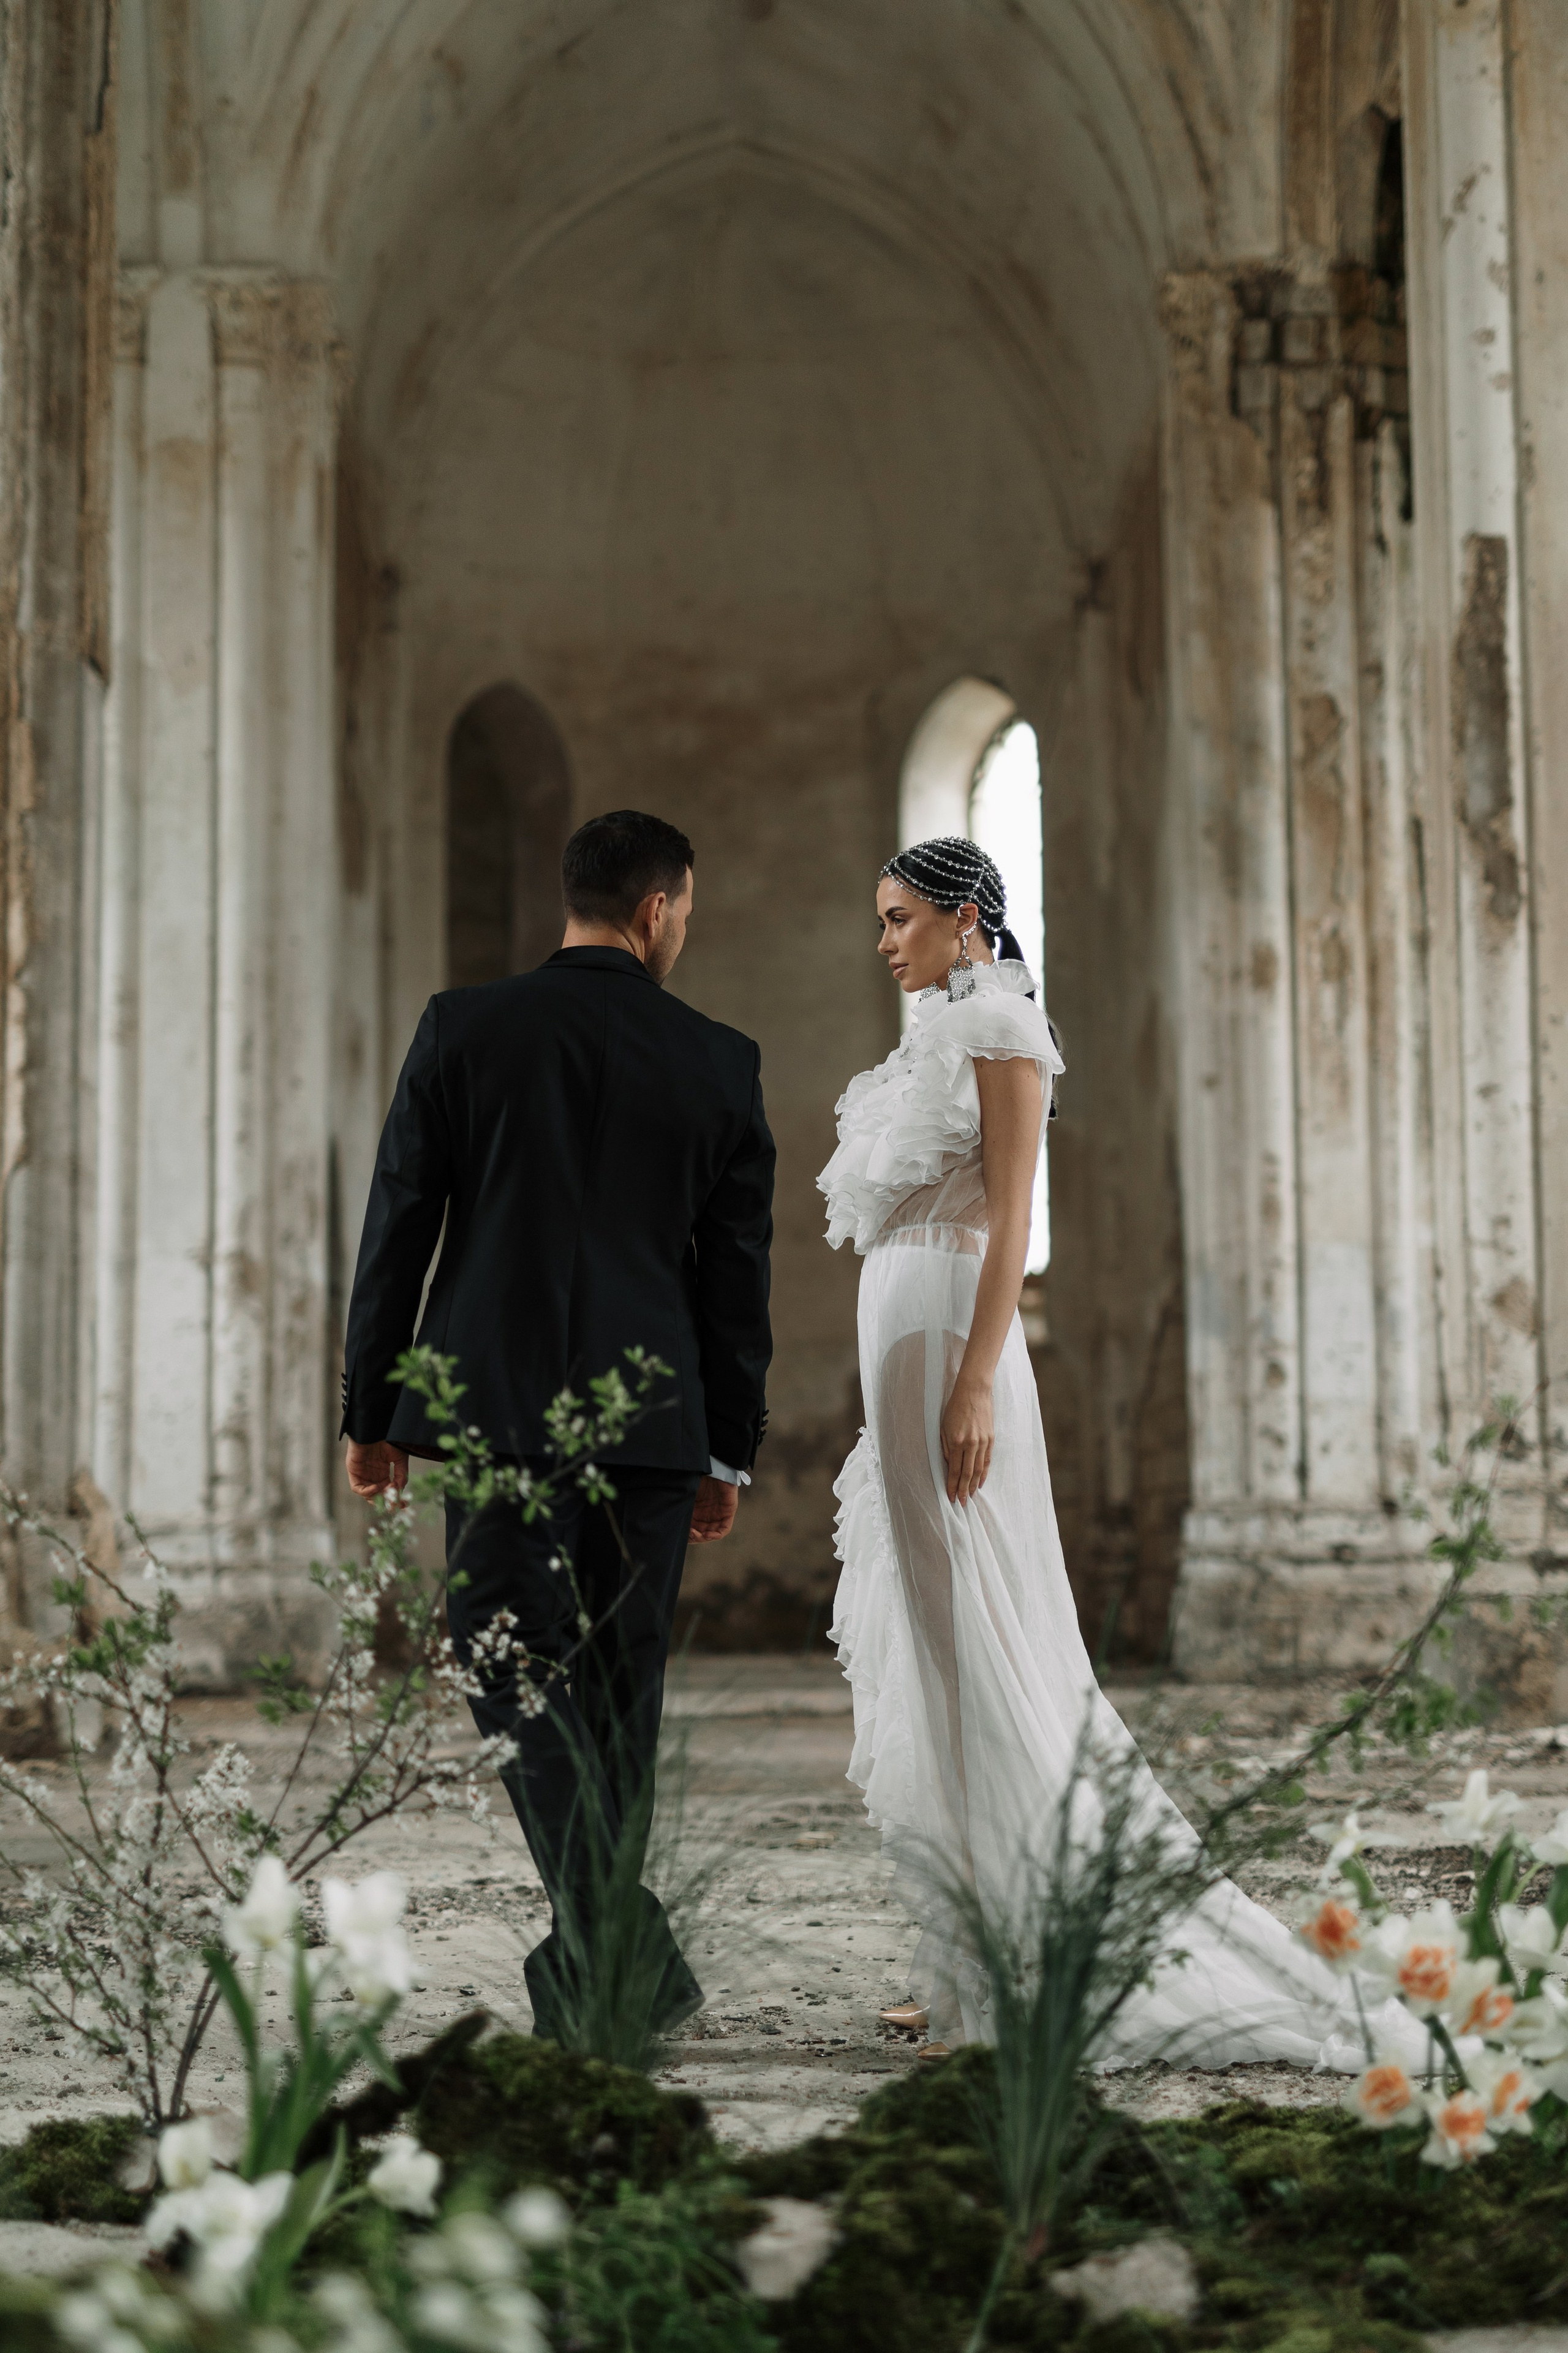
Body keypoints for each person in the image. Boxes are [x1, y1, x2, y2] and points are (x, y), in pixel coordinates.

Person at [819, 835, 1382, 2066]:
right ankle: (966, 1959)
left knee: (977, 1632)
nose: (884, 942)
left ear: (964, 916)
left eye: (899, 918)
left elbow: (1013, 1217)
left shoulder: (1009, 1033)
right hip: (901, 1335)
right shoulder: (936, 1034)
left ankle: (1025, 1957)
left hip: (948, 1346)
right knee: (935, 1645)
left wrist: (974, 1382)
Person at [341, 809, 774, 2039]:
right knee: (617, 1684)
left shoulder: (462, 1028)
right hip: (652, 1422)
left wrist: (371, 1403)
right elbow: (732, 1276)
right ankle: (612, 1959)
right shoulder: (718, 1059)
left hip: (491, 1407)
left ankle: (605, 1959)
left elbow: (399, 1225)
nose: (682, 927)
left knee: (502, 1657)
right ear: (656, 908)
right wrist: (725, 1440)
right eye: (684, 909)